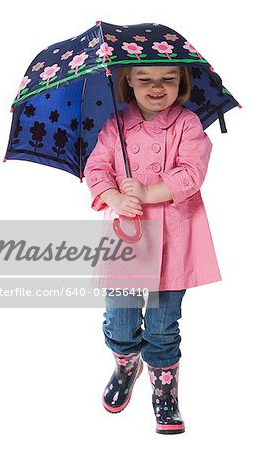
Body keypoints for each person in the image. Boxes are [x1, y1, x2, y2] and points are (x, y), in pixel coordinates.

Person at [84, 65, 222, 434]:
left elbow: (193, 172)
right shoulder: (115, 125)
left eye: (167, 79)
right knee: (121, 321)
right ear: (128, 81)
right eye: (144, 78)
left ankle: (164, 393)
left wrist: (149, 192)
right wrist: (112, 194)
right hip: (127, 237)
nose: (156, 87)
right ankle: (127, 361)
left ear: (182, 82)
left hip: (174, 238)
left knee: (162, 328)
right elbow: (96, 167)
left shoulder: (187, 124)